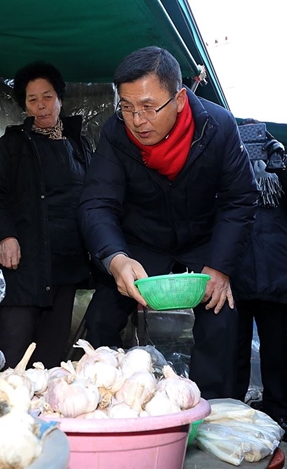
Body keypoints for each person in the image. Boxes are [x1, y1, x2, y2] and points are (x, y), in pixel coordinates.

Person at [78, 46, 258, 399]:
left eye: (148, 107)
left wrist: (220, 267)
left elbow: (240, 199)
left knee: (222, 320)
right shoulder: (115, 134)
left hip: (204, 242)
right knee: (101, 316)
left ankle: (211, 412)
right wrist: (115, 258)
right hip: (141, 242)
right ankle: (107, 402)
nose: (137, 120)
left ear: (178, 99)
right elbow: (96, 203)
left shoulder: (218, 126)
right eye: (126, 107)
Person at [0, 61, 92, 369]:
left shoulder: (79, 146)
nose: (41, 105)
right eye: (32, 99)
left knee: (50, 357)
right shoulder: (11, 144)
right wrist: (5, 235)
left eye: (47, 96)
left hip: (67, 263)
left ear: (60, 98)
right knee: (11, 352)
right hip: (24, 262)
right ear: (25, 105)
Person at [233, 119, 287, 437]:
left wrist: (279, 163)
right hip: (235, 277)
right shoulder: (227, 166)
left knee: (278, 351)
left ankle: (279, 411)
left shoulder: (280, 165)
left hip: (277, 277)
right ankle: (234, 410)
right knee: (234, 350)